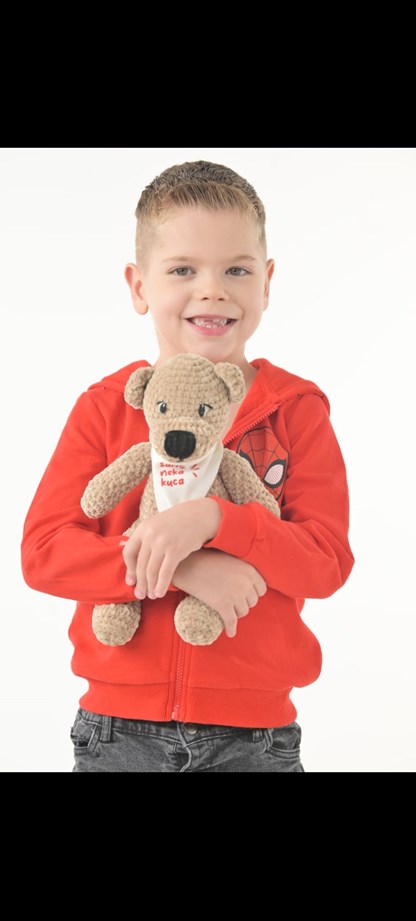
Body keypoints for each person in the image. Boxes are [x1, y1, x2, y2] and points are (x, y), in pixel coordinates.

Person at [21, 160, 354, 772]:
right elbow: (45, 552)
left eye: (237, 270)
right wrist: (184, 566)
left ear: (267, 283)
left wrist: (217, 521)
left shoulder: (296, 411)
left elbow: (326, 561)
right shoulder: (104, 408)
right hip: (117, 734)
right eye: (183, 270)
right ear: (139, 286)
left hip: (255, 739)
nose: (213, 290)